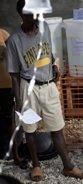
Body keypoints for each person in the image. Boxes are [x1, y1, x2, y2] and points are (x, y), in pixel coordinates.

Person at [5, 0, 83, 181]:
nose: (36, 17)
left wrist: (54, 66)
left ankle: (68, 166)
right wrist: (19, 101)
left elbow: (49, 53)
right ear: (22, 14)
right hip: (28, 89)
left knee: (57, 128)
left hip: (49, 86)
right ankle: (36, 165)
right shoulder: (14, 40)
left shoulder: (45, 28)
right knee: (30, 130)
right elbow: (14, 75)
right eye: (30, 13)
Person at [0, 28, 28, 169]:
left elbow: (14, 54)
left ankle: (16, 156)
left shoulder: (3, 33)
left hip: (5, 86)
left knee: (8, 121)